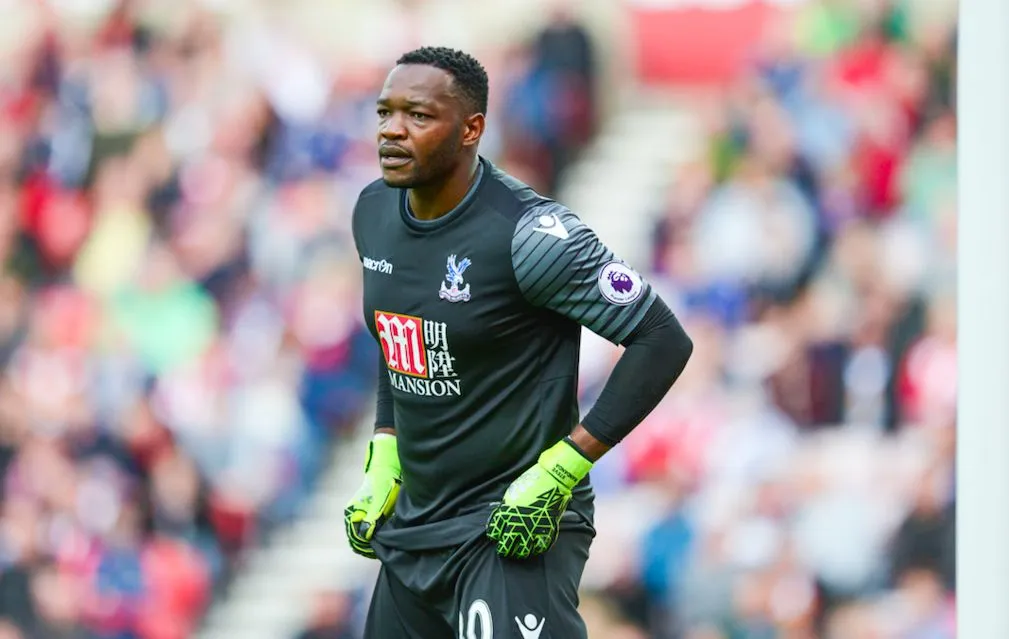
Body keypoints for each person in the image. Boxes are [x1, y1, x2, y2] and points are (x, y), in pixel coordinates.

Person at [344, 46, 694, 639]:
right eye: (385, 113)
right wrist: (385, 447)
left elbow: (662, 338)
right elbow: (397, 332)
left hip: (509, 525)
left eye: (419, 116)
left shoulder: (532, 238)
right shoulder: (373, 211)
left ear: (471, 129)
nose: (393, 130)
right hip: (416, 526)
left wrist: (567, 464)